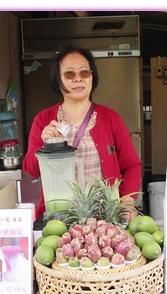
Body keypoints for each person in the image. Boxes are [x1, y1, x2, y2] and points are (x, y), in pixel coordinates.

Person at [23, 46, 142, 222]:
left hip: (106, 219)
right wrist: (45, 146)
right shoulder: (44, 120)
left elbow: (132, 165)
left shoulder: (111, 118)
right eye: (69, 74)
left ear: (92, 76)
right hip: (60, 219)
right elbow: (30, 169)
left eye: (85, 72)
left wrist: (127, 201)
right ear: (58, 80)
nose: (78, 78)